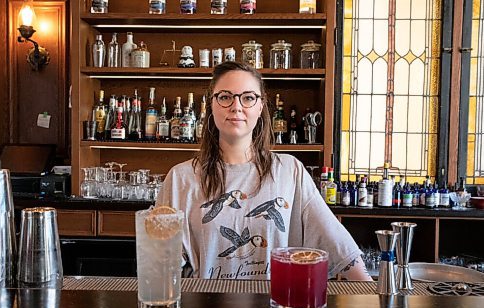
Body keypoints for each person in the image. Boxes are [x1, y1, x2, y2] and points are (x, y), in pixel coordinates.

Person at [156, 61, 372, 281]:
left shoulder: (290, 171)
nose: (236, 106)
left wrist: (370, 298)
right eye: (225, 96)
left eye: (248, 97)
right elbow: (161, 263)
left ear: (260, 107)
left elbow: (340, 248)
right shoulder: (181, 178)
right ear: (211, 104)